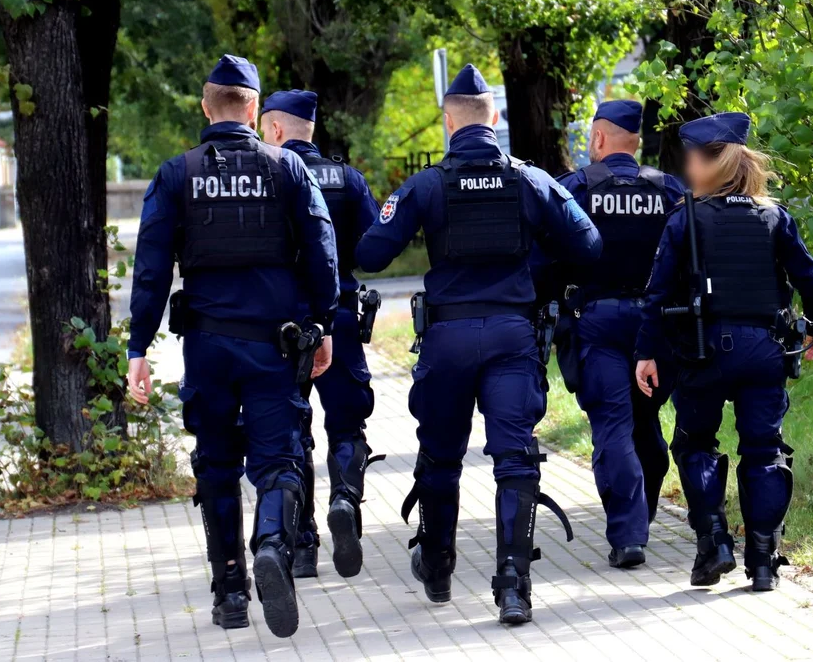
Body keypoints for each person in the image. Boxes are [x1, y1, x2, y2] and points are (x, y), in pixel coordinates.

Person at [355, 64, 601, 625]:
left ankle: (437, 567)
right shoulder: (530, 180)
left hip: (446, 340)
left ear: (449, 122)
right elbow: (589, 245)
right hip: (513, 337)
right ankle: (514, 587)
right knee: (515, 459)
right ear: (494, 119)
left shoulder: (428, 185)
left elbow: (370, 254)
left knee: (441, 455)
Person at [126, 55, 340, 638]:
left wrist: (138, 348)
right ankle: (271, 543)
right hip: (275, 346)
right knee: (280, 460)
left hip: (208, 347)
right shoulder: (287, 167)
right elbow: (322, 250)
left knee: (216, 466)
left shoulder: (177, 174)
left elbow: (151, 269)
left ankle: (229, 595)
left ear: (205, 107)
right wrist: (323, 323)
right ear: (254, 108)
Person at [633, 112, 813, 592]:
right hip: (765, 351)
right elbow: (809, 278)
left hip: (703, 352)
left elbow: (656, 294)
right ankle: (762, 561)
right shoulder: (774, 217)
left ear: (712, 163)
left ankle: (714, 544)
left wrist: (646, 352)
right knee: (764, 450)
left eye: (692, 158)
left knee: (695, 444)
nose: (686, 167)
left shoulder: (686, 218)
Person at [542, 99, 684, 569]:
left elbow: (547, 257)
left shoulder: (576, 188)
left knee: (613, 427)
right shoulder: (669, 189)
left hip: (597, 323)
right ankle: (642, 515)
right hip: (656, 327)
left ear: (599, 138)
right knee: (645, 424)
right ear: (636, 141)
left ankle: (628, 536)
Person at [260, 89, 383, 580]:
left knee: (293, 433)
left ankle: (304, 546)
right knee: (347, 426)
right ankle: (345, 502)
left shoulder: (264, 175)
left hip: (280, 328)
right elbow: (374, 249)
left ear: (274, 129)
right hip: (340, 320)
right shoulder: (347, 179)